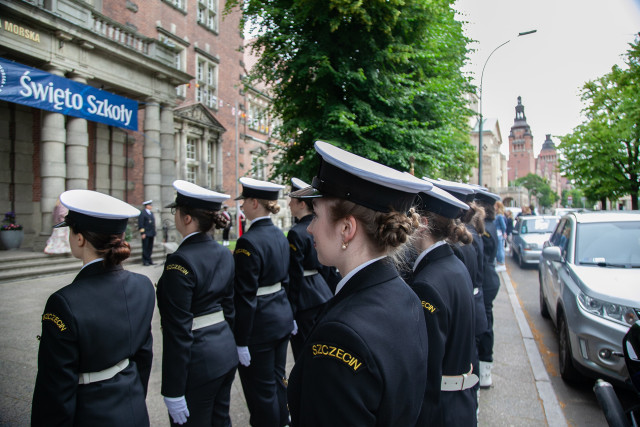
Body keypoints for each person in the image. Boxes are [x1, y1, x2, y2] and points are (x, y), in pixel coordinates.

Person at [287, 141, 429, 426]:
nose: (311, 227)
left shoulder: (341, 336)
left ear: (347, 229)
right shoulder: (405, 295)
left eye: (316, 214)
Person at [32, 190, 155, 426]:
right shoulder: (143, 286)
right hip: (133, 406)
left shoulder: (63, 303)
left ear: (79, 238)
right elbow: (143, 357)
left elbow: (55, 389)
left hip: (91, 413)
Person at [156, 180, 238, 426]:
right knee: (220, 420)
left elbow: (177, 332)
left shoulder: (179, 262)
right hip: (224, 350)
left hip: (198, 362)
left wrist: (173, 389)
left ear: (187, 218)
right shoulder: (224, 253)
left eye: (177, 212)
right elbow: (230, 310)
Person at [407, 182, 478, 426]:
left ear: (423, 224)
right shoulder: (454, 264)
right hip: (459, 403)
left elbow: (426, 366)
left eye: (411, 217)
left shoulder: (427, 283)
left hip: (440, 409)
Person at [233, 177, 294, 427]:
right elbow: (288, 280)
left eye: (244, 201)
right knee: (278, 380)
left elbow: (245, 297)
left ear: (255, 202)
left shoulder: (248, 241)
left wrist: (241, 340)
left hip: (260, 325)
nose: (242, 207)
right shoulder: (280, 235)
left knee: (261, 391)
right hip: (280, 317)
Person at [286, 177, 334, 360]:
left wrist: (291, 310)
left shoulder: (296, 232)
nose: (289, 204)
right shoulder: (318, 225)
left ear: (300, 204)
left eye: (292, 200)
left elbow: (294, 274)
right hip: (321, 291)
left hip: (304, 299)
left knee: (303, 352)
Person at [474, 188, 502, 388]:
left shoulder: (485, 229)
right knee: (486, 321)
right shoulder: (490, 225)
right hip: (489, 278)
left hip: (486, 280)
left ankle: (485, 370)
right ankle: (485, 368)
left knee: (484, 325)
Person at [138, 200, 156, 265]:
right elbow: (141, 224)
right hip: (146, 233)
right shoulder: (142, 213)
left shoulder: (151, 213)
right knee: (145, 247)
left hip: (151, 233)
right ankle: (145, 261)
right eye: (150, 205)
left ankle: (149, 259)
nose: (151, 206)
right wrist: (142, 233)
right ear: (147, 206)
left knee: (150, 247)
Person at [494, 201, 507, 271]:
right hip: (498, 234)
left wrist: (503, 232)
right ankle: (500, 263)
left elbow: (504, 226)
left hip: (499, 234)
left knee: (500, 249)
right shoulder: (498, 215)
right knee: (499, 249)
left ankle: (501, 263)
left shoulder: (499, 216)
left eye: (495, 206)